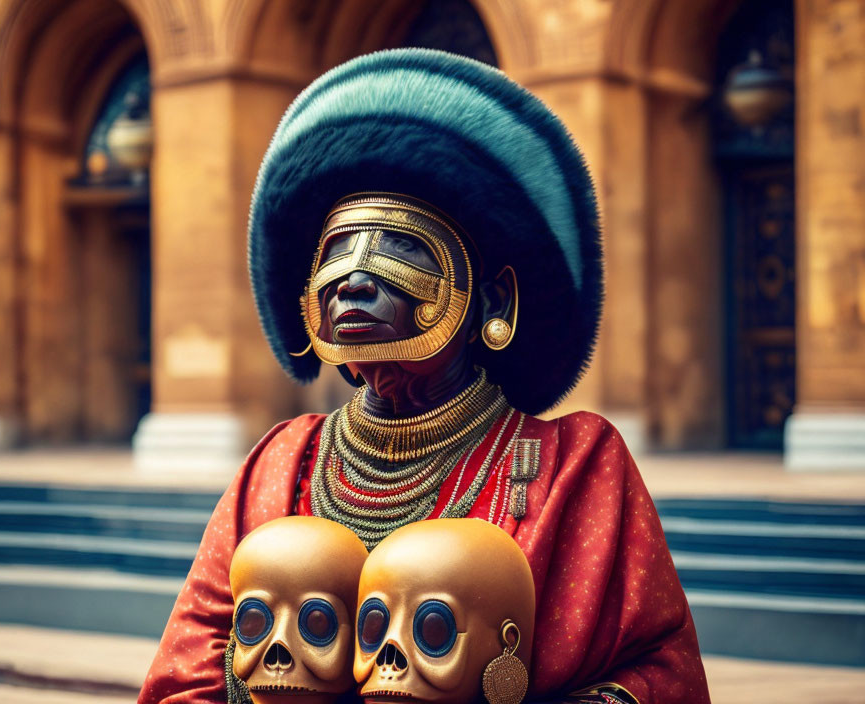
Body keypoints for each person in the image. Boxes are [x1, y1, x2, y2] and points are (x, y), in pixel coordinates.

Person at [140, 49, 710, 704]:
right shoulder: (279, 461)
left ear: (493, 303)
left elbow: (660, 674)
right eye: (336, 251)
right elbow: (188, 666)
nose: (354, 277)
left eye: (402, 244)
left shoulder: (576, 466)